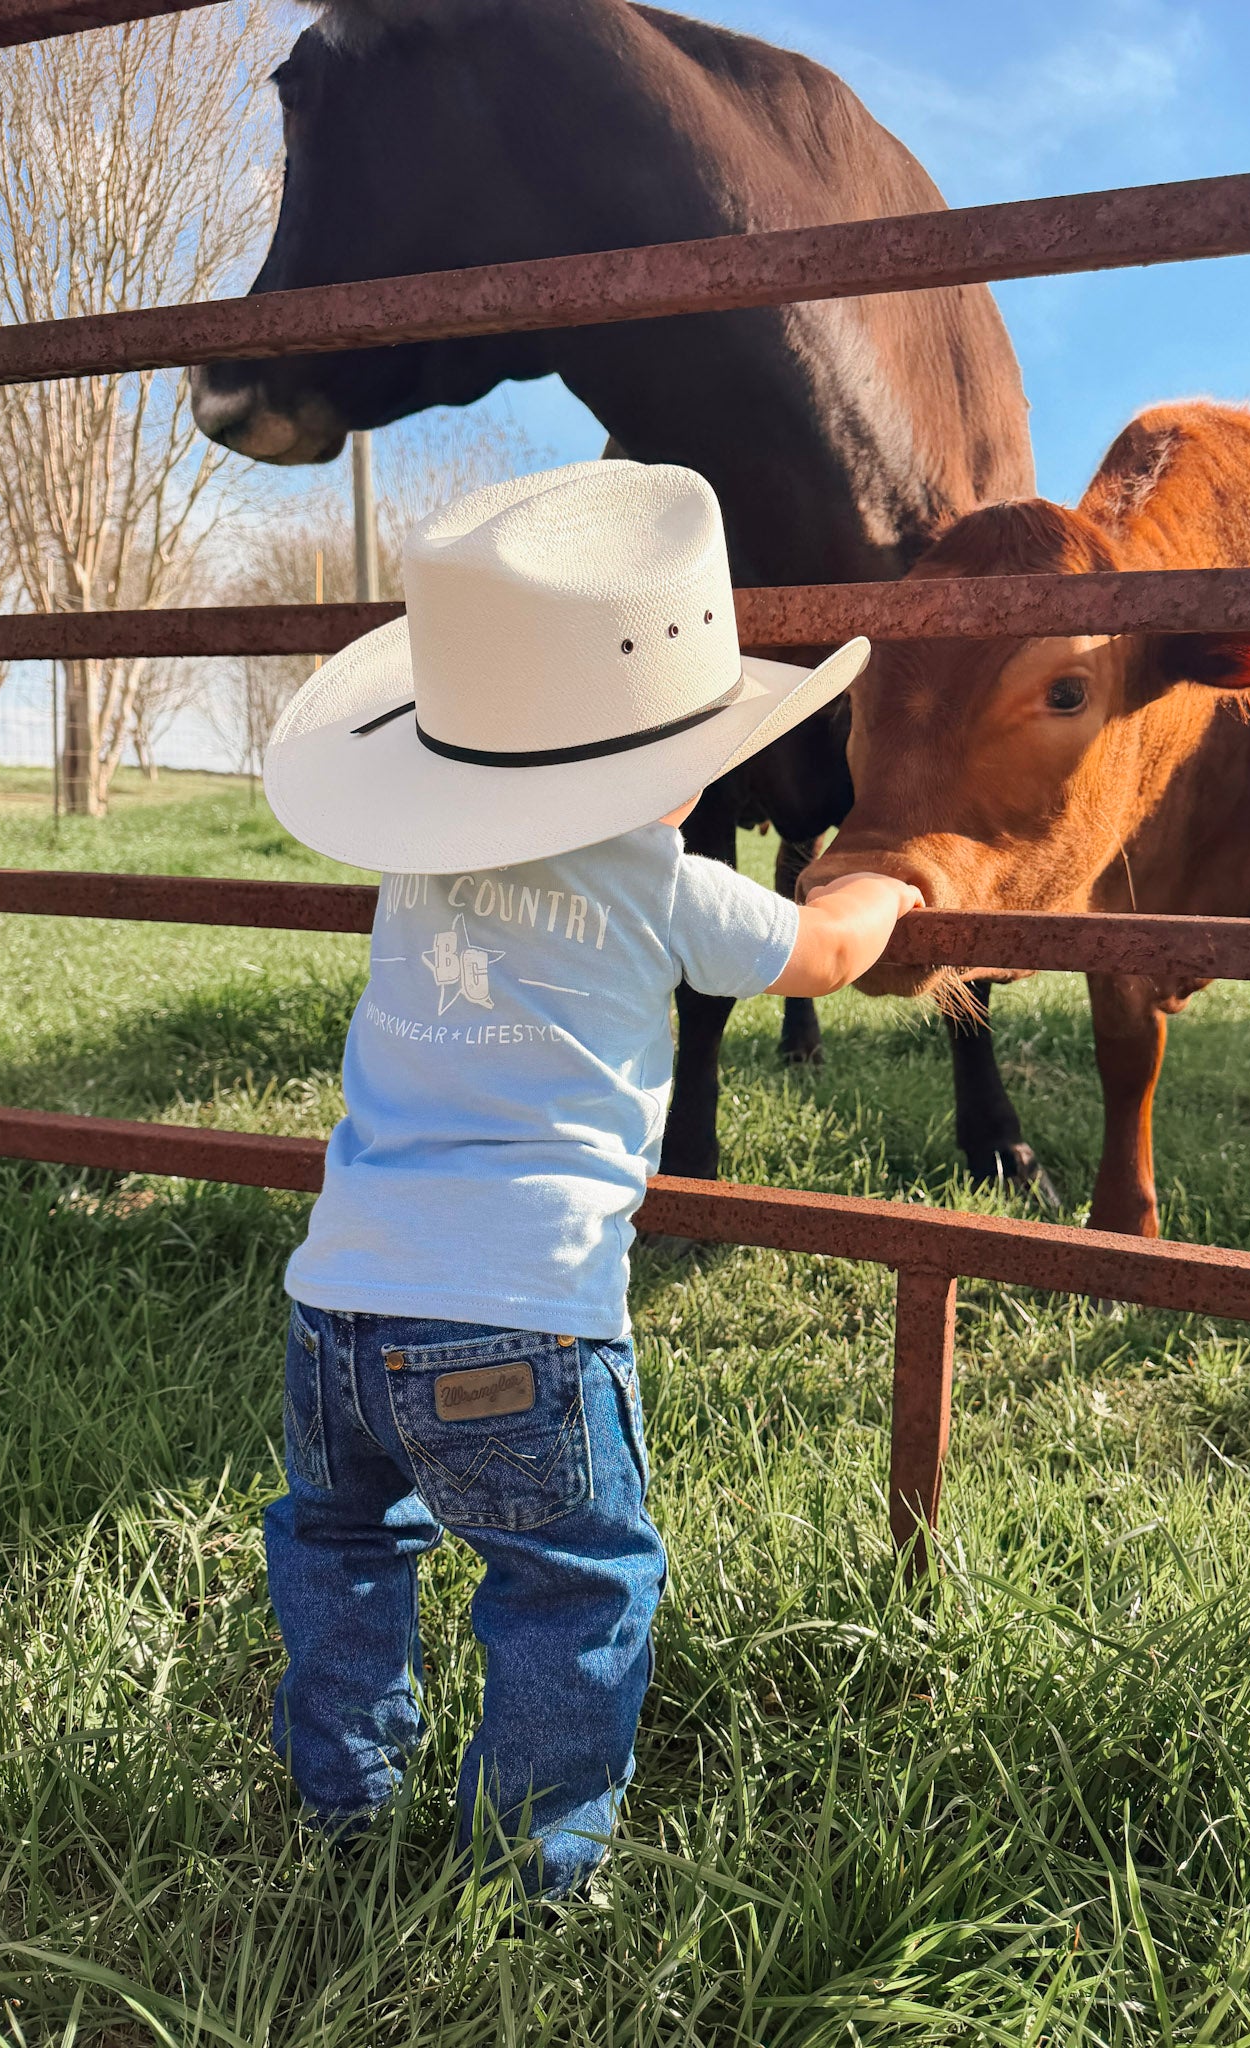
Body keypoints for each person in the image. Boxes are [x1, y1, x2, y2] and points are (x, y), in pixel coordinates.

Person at [260, 460, 923, 1896]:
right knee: (574, 1582)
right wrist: (882, 884)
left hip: (335, 1304)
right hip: (523, 1318)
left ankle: (344, 1801)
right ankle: (529, 1872)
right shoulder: (665, 887)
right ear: (678, 760)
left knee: (339, 1540)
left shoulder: (415, 873)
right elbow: (828, 958)